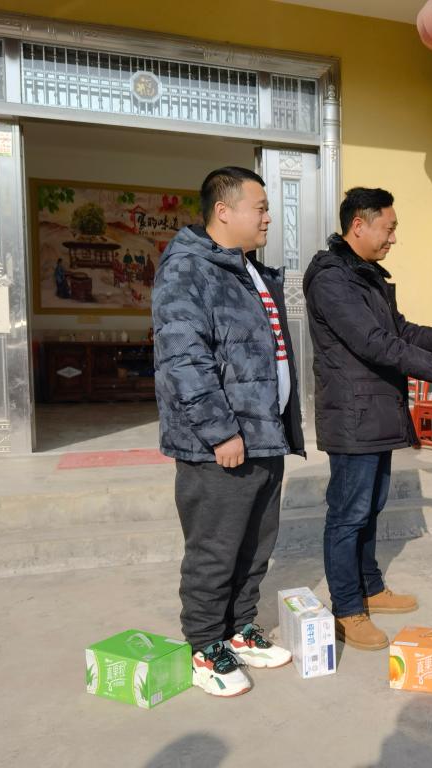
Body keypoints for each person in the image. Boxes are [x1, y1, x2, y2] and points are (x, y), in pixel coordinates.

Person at [153, 166, 305, 696]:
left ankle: (240, 629)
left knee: (256, 546)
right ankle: (204, 646)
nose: (268, 218)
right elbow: (183, 359)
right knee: (214, 551)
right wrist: (220, 432)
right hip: (219, 446)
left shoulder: (247, 270)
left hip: (264, 435)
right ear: (224, 210)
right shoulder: (187, 270)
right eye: (259, 208)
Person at [304, 187, 432, 651]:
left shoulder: (367, 275)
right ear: (359, 225)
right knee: (348, 515)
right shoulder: (332, 279)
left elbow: (401, 331)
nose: (393, 238)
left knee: (370, 507)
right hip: (353, 415)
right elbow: (374, 342)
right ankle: (347, 608)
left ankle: (370, 587)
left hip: (376, 411)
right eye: (388, 229)